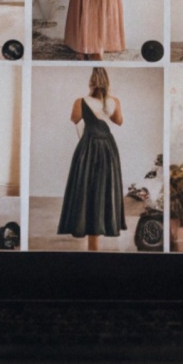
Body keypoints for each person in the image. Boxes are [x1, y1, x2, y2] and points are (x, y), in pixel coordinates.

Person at [57, 68, 126, 250]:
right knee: (103, 188)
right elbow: (119, 121)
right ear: (108, 82)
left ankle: (91, 240)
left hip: (88, 147)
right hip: (107, 149)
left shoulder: (81, 102)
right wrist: (105, 111)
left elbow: (75, 119)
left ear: (91, 82)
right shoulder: (114, 101)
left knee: (86, 188)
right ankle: (98, 234)